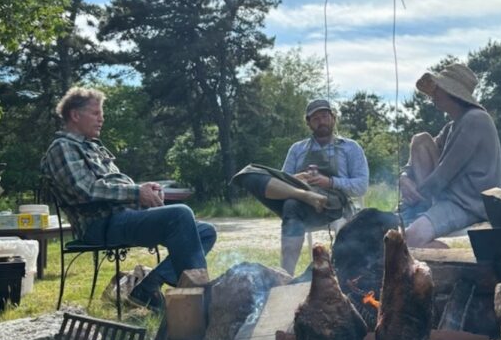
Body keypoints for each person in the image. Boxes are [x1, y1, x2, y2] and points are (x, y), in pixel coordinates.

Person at [41, 87, 216, 309]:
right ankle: (200, 305)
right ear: (75, 115)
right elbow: (85, 190)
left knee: (206, 231)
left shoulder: (94, 148)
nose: (101, 119)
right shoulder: (62, 147)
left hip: (122, 218)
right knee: (181, 214)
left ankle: (147, 287)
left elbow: (115, 186)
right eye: (96, 113)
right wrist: (136, 192)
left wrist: (146, 190)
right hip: (99, 226)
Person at [233, 98, 369, 274]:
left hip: (335, 204)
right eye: (316, 118)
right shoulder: (297, 149)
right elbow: (282, 180)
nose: (321, 121)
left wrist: (330, 182)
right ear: (308, 123)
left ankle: (286, 273)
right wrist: (299, 178)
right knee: (248, 173)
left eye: (324, 116)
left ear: (333, 118)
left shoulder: (351, 148)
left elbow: (361, 185)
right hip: (302, 202)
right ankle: (287, 276)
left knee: (291, 205)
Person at [399, 62, 501, 248]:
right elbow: (423, 149)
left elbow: (444, 174)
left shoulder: (476, 120)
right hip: (450, 199)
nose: (433, 94)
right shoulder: (452, 126)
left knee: (411, 239)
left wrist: (414, 197)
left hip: (471, 204)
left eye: (438, 88)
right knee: (421, 139)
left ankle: (450, 262)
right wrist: (404, 177)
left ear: (452, 92)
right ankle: (422, 209)